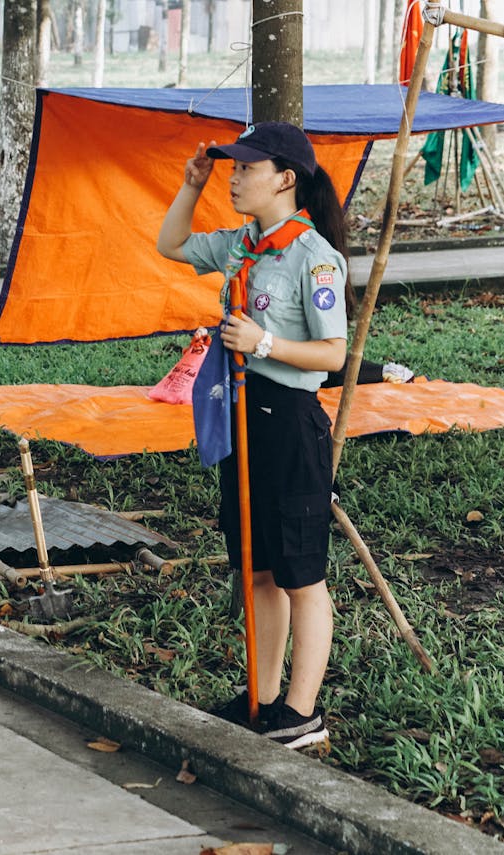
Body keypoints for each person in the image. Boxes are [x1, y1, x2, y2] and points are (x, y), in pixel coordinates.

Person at [156, 122, 350, 750]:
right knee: (259, 569)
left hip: (290, 422)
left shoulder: (313, 256)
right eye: (231, 168)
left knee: (301, 574)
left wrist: (263, 342)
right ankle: (262, 699)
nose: (233, 178)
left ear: (285, 178)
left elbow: (334, 354)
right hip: (242, 415)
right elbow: (172, 243)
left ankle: (301, 713)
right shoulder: (243, 242)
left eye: (244, 168)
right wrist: (191, 186)